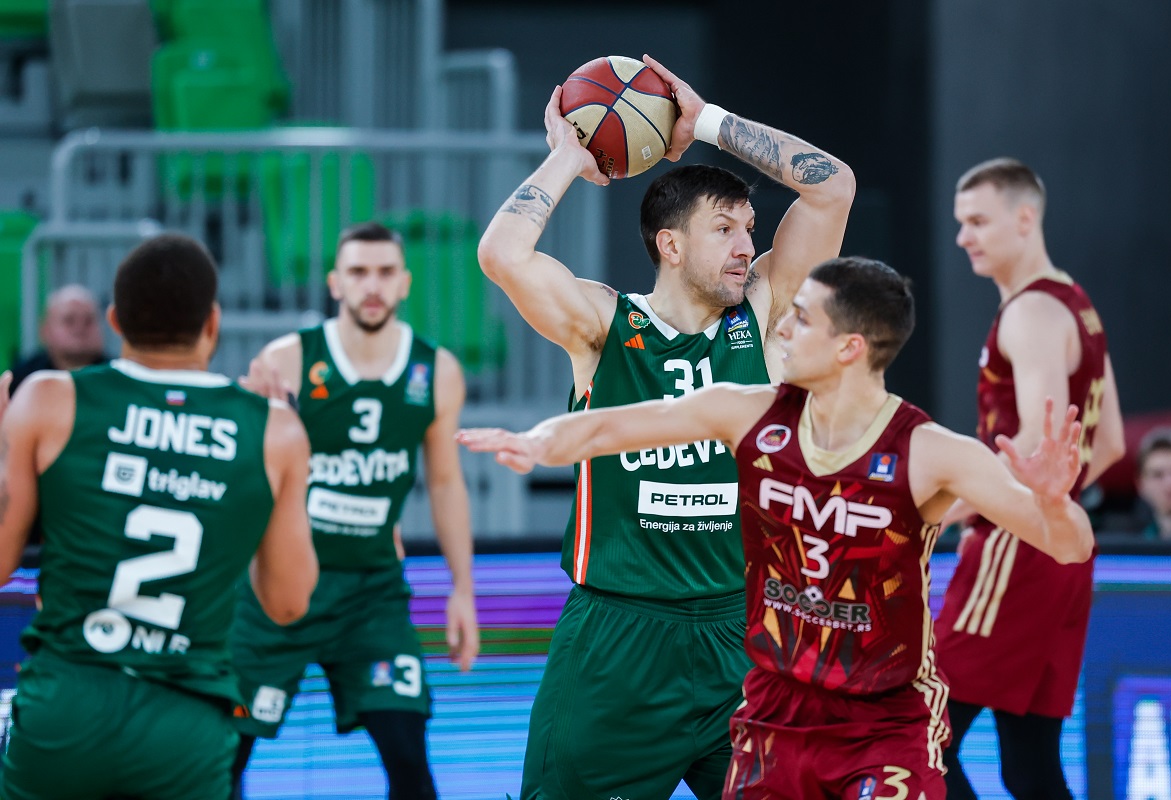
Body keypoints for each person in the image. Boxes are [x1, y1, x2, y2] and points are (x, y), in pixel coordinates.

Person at [458, 256, 1097, 799]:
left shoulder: (932, 452)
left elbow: (1071, 546)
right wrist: (538, 441)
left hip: (882, 722)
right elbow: (610, 425)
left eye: (803, 319)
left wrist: (1053, 499)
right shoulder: (748, 412)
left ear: (849, 348)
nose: (782, 326)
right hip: (773, 714)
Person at [476, 53, 855, 800]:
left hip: (739, 637)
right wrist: (565, 158)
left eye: (749, 227)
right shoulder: (602, 324)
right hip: (618, 640)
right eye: (724, 228)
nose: (747, 244)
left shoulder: (768, 314)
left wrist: (704, 121)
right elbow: (502, 254)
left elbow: (830, 185)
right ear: (670, 245)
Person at [0, 234, 318, 800]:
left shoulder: (46, 398)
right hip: (185, 716)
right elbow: (288, 604)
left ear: (116, 320)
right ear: (213, 323)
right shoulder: (274, 430)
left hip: (66, 700)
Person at [229, 221, 480, 800]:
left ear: (405, 283)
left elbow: (445, 483)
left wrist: (462, 588)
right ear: (335, 283)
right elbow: (242, 484)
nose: (373, 285)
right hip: (277, 591)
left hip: (371, 594)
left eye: (385, 272)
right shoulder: (287, 361)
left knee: (411, 765)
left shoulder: (435, 371)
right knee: (222, 759)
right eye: (359, 272)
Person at [934, 158, 1126, 799]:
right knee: (1029, 763)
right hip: (1061, 552)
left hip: (1018, 547)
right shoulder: (1077, 304)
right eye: (961, 222)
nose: (964, 236)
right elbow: (1111, 445)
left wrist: (941, 511)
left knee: (923, 737)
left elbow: (1037, 455)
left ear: (1025, 218)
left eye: (979, 220)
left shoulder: (1030, 315)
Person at [8, 283, 107, 395]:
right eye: (69, 320)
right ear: (45, 329)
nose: (79, 328)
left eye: (88, 321)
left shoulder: (117, 379)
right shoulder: (21, 380)